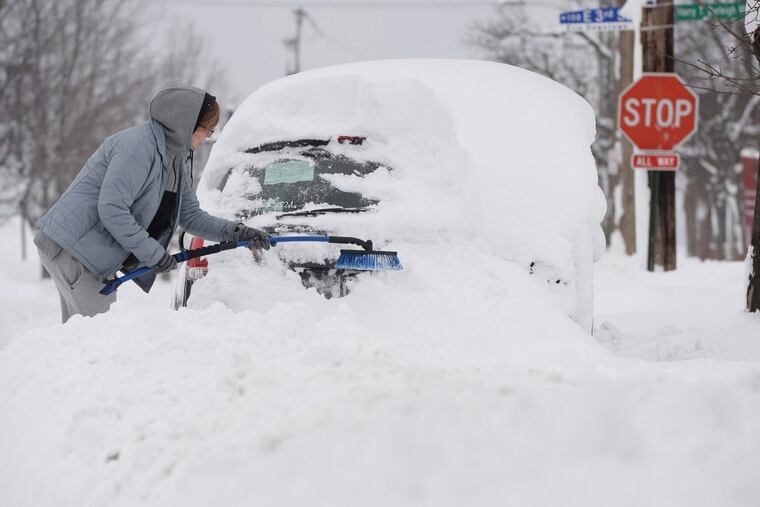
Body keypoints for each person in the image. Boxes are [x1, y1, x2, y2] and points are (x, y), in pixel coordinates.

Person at [34, 86, 270, 323]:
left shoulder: (174, 159)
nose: (207, 137)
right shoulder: (139, 147)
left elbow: (190, 217)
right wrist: (153, 254)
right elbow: (112, 209)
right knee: (94, 338)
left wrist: (237, 232)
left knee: (81, 336)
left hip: (81, 252)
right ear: (187, 123)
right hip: (73, 250)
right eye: (207, 130)